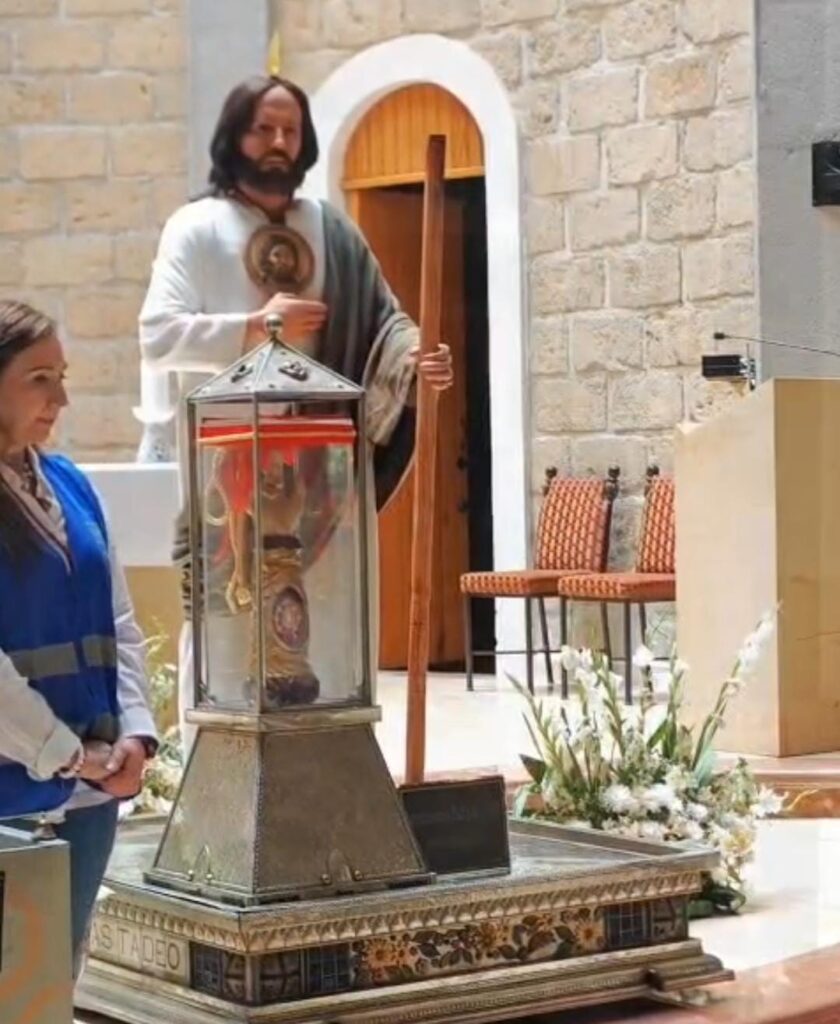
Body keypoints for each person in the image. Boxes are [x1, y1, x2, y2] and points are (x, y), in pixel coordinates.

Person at [139, 75, 453, 748]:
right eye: (263, 128)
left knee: (333, 610)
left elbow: (385, 322)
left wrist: (414, 359)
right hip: (225, 463)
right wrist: (253, 324)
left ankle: (329, 752)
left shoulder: (330, 229)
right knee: (225, 614)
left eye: (291, 130)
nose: (279, 143)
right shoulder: (195, 228)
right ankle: (213, 764)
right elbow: (157, 335)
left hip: (321, 462)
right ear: (234, 136)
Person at [0, 300, 158, 975]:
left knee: (51, 986)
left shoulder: (71, 486)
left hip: (90, 797)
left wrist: (136, 735)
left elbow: (118, 623)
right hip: (13, 799)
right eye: (40, 377)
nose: (60, 397)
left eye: (62, 376)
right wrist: (68, 754)